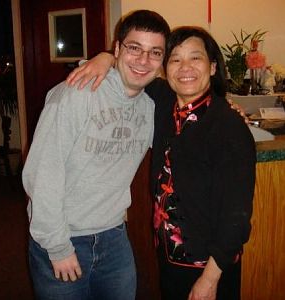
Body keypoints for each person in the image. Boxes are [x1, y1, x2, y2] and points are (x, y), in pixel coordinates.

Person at [67, 26, 256, 300]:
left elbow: (236, 218)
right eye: (175, 59)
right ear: (166, 69)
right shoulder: (164, 101)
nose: (185, 67)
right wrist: (104, 57)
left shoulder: (229, 127)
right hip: (169, 258)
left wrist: (210, 279)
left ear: (213, 67)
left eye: (196, 58)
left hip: (209, 265)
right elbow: (131, 70)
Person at [22, 10, 170, 300]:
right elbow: (42, 175)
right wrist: (58, 247)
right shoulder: (76, 94)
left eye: (155, 52)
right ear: (116, 49)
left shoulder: (150, 108)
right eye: (134, 48)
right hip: (63, 236)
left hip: (114, 238)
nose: (143, 60)